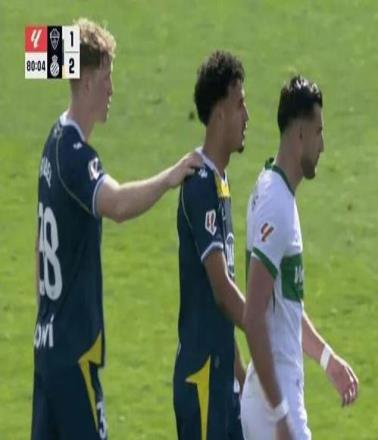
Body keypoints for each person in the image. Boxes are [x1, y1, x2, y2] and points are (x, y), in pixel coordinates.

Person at [31, 18, 201, 440]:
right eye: (107, 78)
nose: (112, 89)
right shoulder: (75, 156)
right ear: (88, 81)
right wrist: (171, 177)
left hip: (47, 346)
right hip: (75, 351)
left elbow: (38, 248)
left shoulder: (53, 142)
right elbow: (119, 204)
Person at [241, 76, 359, 440]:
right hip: (275, 398)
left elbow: (284, 305)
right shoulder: (276, 203)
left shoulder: (272, 189)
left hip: (271, 392)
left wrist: (327, 360)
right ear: (301, 134)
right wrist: (280, 414)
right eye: (319, 132)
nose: (323, 145)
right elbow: (253, 314)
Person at [174, 50, 249, 440]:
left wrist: (243, 375)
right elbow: (222, 291)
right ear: (219, 114)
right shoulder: (201, 185)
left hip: (222, 380)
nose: (246, 116)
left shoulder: (220, 183)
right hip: (202, 382)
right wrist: (264, 333)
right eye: (240, 105)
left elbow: (220, 306)